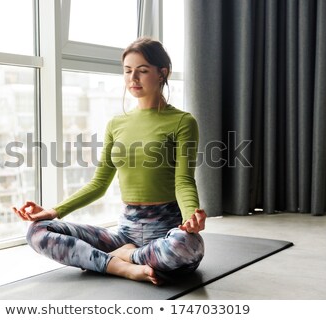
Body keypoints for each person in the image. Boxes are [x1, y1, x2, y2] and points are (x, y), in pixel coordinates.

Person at [13, 37, 206, 285]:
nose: (132, 79)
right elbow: (99, 183)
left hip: (166, 236)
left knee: (186, 245)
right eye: (128, 71)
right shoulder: (116, 124)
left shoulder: (182, 122)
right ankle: (121, 265)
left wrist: (191, 218)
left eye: (142, 71)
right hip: (125, 234)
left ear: (162, 73)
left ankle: (119, 258)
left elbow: (183, 181)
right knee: (38, 231)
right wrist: (53, 211)